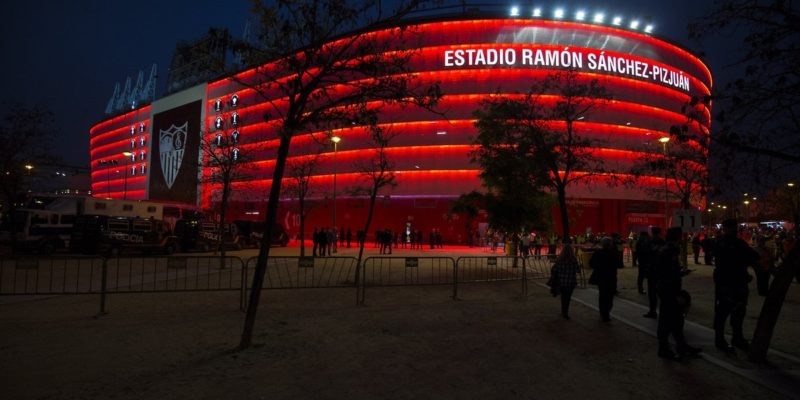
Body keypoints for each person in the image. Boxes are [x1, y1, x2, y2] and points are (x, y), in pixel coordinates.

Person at [713, 218, 760, 352]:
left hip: (728, 282)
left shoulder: (721, 243)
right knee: (732, 312)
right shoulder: (735, 244)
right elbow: (753, 256)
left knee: (729, 312)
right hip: (733, 283)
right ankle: (730, 338)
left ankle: (727, 338)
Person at [655, 227, 701, 359]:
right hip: (669, 288)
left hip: (665, 286)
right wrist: (679, 274)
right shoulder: (671, 249)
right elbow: (668, 270)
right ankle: (665, 348)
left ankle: (681, 346)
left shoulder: (663, 247)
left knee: (676, 318)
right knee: (668, 318)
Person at [590, 237, 623, 322]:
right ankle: (606, 313)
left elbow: (591, 263)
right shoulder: (614, 253)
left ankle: (603, 313)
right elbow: (619, 264)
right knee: (609, 296)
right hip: (611, 277)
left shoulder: (598, 253)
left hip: (601, 277)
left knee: (602, 296)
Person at [552, 243, 581, 319]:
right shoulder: (573, 260)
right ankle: (565, 312)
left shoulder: (559, 260)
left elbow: (554, 269)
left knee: (563, 297)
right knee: (568, 298)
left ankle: (563, 311)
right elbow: (578, 270)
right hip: (571, 282)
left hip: (561, 281)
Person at [643, 227, 665, 318]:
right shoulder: (663, 242)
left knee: (652, 293)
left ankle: (653, 311)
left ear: (652, 232)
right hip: (661, 270)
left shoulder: (649, 242)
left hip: (652, 270)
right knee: (661, 292)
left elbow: (646, 255)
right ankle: (663, 312)